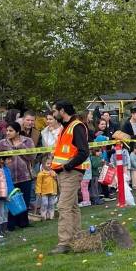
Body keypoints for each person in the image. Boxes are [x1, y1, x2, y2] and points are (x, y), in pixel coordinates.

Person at [49, 101, 90, 253]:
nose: (53, 114)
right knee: (72, 206)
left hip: (71, 172)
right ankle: (76, 238)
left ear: (62, 111)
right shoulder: (66, 127)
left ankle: (64, 243)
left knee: (63, 206)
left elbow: (84, 152)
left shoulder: (76, 126)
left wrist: (68, 166)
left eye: (54, 111)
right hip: (65, 172)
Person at [0, 121, 34, 230]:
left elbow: (32, 157)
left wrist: (21, 147)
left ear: (17, 132)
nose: (7, 133)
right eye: (7, 130)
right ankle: (11, 224)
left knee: (24, 200)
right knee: (11, 200)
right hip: (9, 178)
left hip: (25, 176)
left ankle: (24, 223)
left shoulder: (27, 141)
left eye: (10, 131)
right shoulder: (1, 143)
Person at [35, 156, 58, 220]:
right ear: (43, 164)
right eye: (48, 163)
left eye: (51, 163)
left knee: (51, 204)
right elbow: (38, 184)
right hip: (44, 192)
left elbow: (56, 179)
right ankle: (43, 215)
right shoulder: (41, 174)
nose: (49, 165)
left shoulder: (53, 172)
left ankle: (51, 215)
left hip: (52, 191)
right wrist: (38, 191)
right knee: (45, 203)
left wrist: (54, 176)